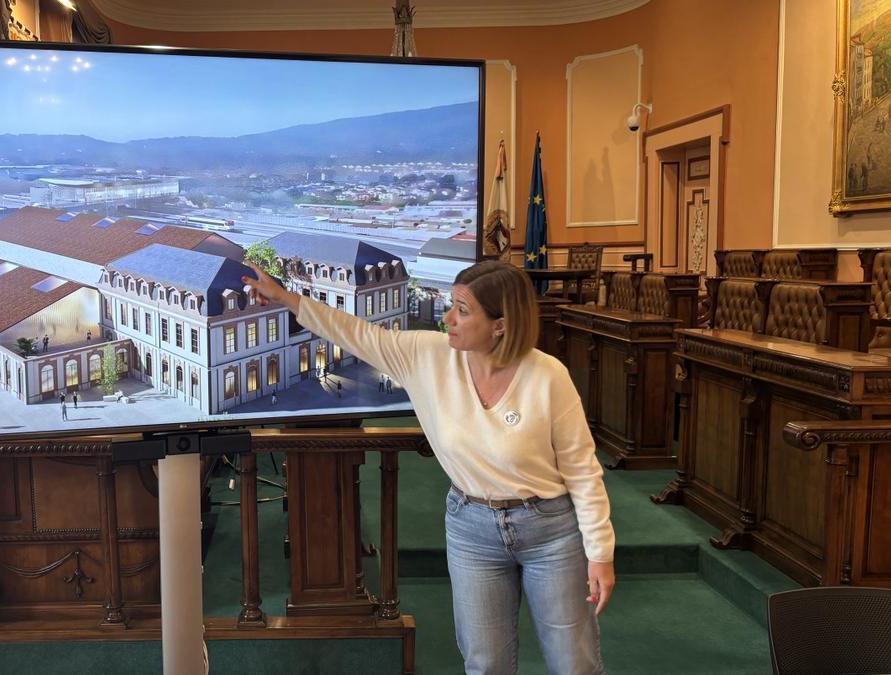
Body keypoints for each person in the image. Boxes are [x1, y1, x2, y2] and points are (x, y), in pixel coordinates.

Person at [242, 260, 614, 675]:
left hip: (550, 531)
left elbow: (583, 470)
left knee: (574, 663)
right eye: (451, 305)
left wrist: (600, 554)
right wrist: (285, 298)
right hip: (472, 529)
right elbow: (354, 332)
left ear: (501, 325)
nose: (447, 318)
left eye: (462, 310)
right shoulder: (427, 355)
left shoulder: (548, 375)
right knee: (486, 663)